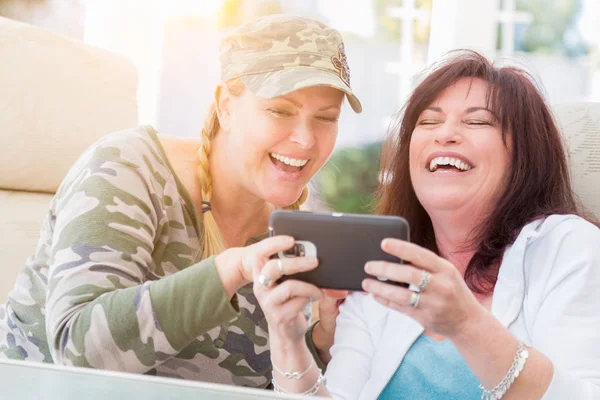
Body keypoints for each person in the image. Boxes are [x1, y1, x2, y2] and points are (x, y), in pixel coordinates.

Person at [0, 14, 361, 388]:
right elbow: (77, 349)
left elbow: (259, 383)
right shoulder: (129, 169)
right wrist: (231, 268)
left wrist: (318, 340)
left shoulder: (295, 225)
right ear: (226, 106)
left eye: (326, 117)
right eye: (280, 110)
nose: (305, 140)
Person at [254, 50, 600, 399]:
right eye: (429, 122)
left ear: (524, 156)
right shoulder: (381, 267)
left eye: (478, 122)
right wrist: (287, 339)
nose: (445, 134)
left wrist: (464, 323)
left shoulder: (568, 247)